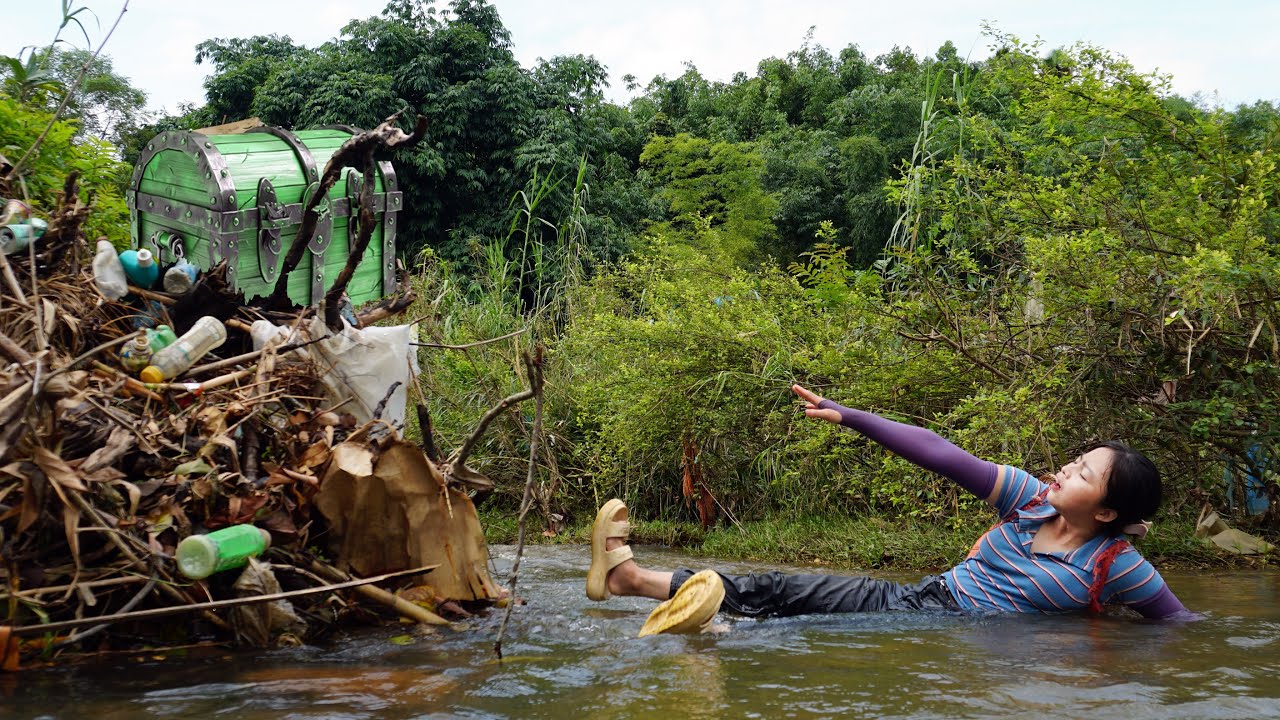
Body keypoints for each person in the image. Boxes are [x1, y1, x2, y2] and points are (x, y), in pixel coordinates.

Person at [585, 384, 1193, 636]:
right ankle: (632, 581)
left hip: (947, 634)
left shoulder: (1117, 565)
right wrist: (850, 416)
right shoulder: (1030, 500)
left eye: (1083, 473)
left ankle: (650, 592)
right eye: (1076, 460)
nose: (1066, 469)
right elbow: (940, 452)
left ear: (1109, 513)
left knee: (783, 616)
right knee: (783, 595)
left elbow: (1179, 629)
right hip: (924, 607)